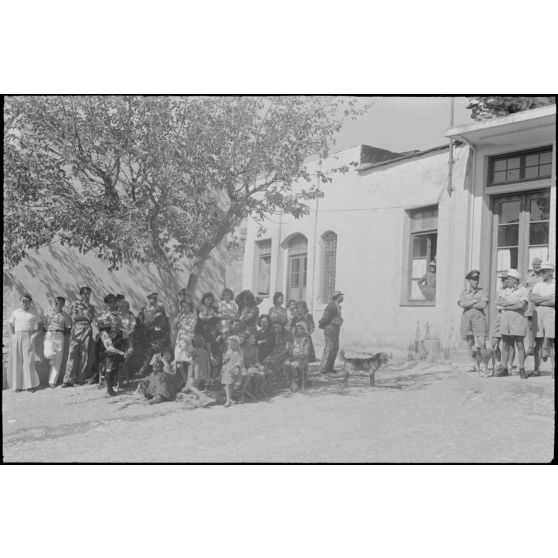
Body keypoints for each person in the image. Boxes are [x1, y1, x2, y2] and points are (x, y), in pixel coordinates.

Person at [497, 269, 529, 379]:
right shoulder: (505, 290)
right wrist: (514, 302)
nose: (507, 280)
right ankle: (504, 367)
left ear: (515, 279)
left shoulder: (524, 290)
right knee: (505, 344)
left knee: (519, 344)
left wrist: (506, 305)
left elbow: (521, 306)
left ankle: (522, 368)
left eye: (509, 278)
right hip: (506, 318)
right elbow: (499, 302)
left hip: (518, 318)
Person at [63, 286, 96, 387]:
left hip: (87, 329)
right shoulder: (75, 304)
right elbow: (74, 316)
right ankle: (68, 379)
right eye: (85, 294)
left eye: (88, 294)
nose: (87, 296)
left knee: (84, 354)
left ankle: (80, 378)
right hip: (77, 328)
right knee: (72, 353)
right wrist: (85, 315)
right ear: (81, 294)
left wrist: (85, 314)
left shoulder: (91, 307)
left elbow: (90, 319)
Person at [7, 294, 41, 392]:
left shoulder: (34, 313)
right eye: (23, 301)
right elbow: (10, 323)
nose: (25, 303)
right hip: (17, 337)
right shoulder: (15, 312)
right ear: (20, 301)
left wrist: (35, 335)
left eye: (27, 301)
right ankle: (17, 386)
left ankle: (29, 386)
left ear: (30, 302)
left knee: (29, 361)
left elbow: (40, 325)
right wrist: (13, 335)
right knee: (17, 361)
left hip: (28, 336)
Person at [457, 270, 488, 375]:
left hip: (479, 320)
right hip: (467, 320)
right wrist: (475, 301)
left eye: (477, 279)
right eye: (474, 279)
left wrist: (469, 303)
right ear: (469, 281)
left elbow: (483, 305)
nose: (476, 281)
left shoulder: (482, 292)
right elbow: (461, 303)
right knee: (470, 343)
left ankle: (484, 364)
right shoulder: (464, 292)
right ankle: (472, 364)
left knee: (482, 342)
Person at [96, 294, 126, 395]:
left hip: (118, 340)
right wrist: (109, 325)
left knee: (115, 364)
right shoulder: (102, 314)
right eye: (108, 302)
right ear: (106, 303)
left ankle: (111, 385)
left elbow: (122, 326)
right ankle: (109, 388)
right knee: (110, 364)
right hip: (107, 341)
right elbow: (99, 326)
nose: (110, 304)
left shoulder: (119, 313)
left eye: (112, 301)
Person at [136, 292, 171, 376]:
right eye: (150, 299)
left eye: (154, 299)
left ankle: (144, 370)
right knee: (149, 350)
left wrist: (162, 339)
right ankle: (149, 370)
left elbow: (165, 330)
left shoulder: (163, 317)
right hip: (151, 337)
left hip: (161, 339)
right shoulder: (146, 311)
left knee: (153, 350)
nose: (152, 300)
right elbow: (143, 323)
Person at [530, 262, 555, 378]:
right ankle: (536, 369)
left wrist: (541, 300)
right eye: (541, 272)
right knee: (538, 341)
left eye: (544, 271)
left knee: (552, 341)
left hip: (551, 311)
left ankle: (553, 370)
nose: (542, 274)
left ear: (551, 272)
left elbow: (553, 301)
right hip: (538, 312)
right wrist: (546, 298)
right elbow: (533, 298)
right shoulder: (538, 284)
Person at [43, 296, 72, 388]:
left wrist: (62, 334)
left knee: (58, 360)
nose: (58, 304)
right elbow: (43, 324)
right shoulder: (47, 312)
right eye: (57, 302)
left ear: (63, 304)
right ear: (55, 302)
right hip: (50, 334)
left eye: (60, 303)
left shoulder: (65, 315)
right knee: (48, 354)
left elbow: (68, 328)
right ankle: (51, 359)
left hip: (60, 336)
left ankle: (52, 382)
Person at [174, 289, 198, 387]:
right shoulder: (181, 315)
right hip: (179, 341)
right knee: (179, 364)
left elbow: (190, 328)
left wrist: (181, 324)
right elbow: (174, 326)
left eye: (185, 306)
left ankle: (190, 385)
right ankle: (185, 382)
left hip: (188, 340)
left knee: (189, 363)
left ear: (189, 306)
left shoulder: (192, 316)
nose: (183, 308)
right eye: (182, 306)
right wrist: (178, 318)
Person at [318, 291, 344, 374]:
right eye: (341, 296)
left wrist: (340, 320)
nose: (342, 298)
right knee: (329, 347)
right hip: (330, 328)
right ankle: (323, 367)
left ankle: (330, 367)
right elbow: (325, 317)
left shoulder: (338, 306)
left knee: (335, 348)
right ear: (337, 297)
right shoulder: (331, 306)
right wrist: (323, 325)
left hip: (336, 328)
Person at [524, 257, 544, 356]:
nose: (536, 267)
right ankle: (531, 346)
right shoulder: (529, 276)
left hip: (541, 304)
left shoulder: (544, 276)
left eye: (538, 265)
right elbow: (524, 290)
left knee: (541, 326)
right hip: (530, 305)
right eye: (535, 265)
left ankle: (544, 348)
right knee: (531, 326)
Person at [284, 322, 311, 391]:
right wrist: (289, 349)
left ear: (303, 330)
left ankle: (293, 382)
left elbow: (306, 352)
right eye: (298, 328)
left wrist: (299, 354)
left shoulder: (306, 339)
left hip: (302, 358)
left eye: (301, 329)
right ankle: (292, 381)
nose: (299, 330)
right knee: (286, 364)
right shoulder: (293, 338)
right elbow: (290, 350)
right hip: (293, 357)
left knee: (292, 365)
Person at [116, 297, 136, 383]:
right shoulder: (116, 317)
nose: (120, 309)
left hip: (128, 343)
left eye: (123, 307)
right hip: (117, 343)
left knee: (125, 356)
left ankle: (120, 377)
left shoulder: (131, 317)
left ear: (127, 308)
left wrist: (125, 333)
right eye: (120, 307)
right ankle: (115, 378)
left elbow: (133, 329)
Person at [221, 335, 244, 407]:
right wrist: (225, 358)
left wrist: (233, 367)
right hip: (228, 369)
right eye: (229, 343)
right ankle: (228, 400)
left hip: (235, 369)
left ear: (236, 343)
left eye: (231, 343)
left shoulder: (240, 351)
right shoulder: (229, 350)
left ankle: (231, 399)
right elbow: (225, 359)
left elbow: (240, 362)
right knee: (227, 384)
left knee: (234, 385)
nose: (230, 345)